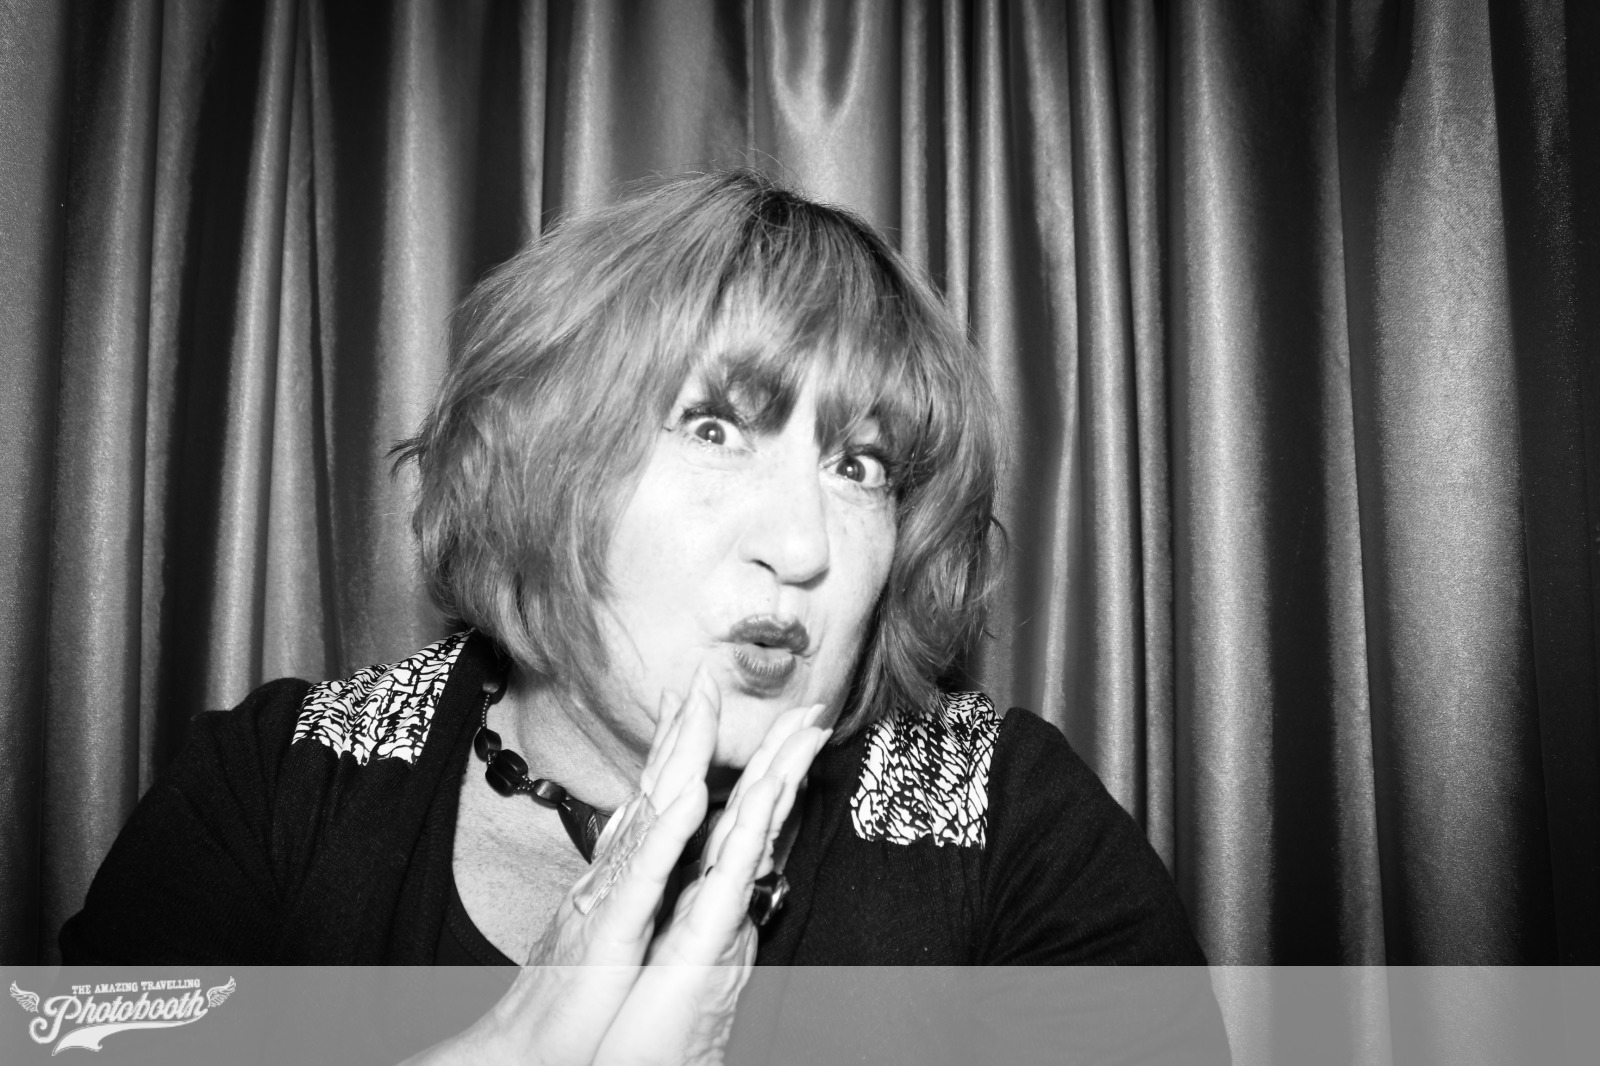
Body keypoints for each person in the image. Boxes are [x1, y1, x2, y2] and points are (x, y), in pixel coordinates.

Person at [60, 170, 1227, 1062]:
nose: (804, 546)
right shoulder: (279, 788)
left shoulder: (1010, 824)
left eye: (860, 465)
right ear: (542, 467)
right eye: (714, 428)